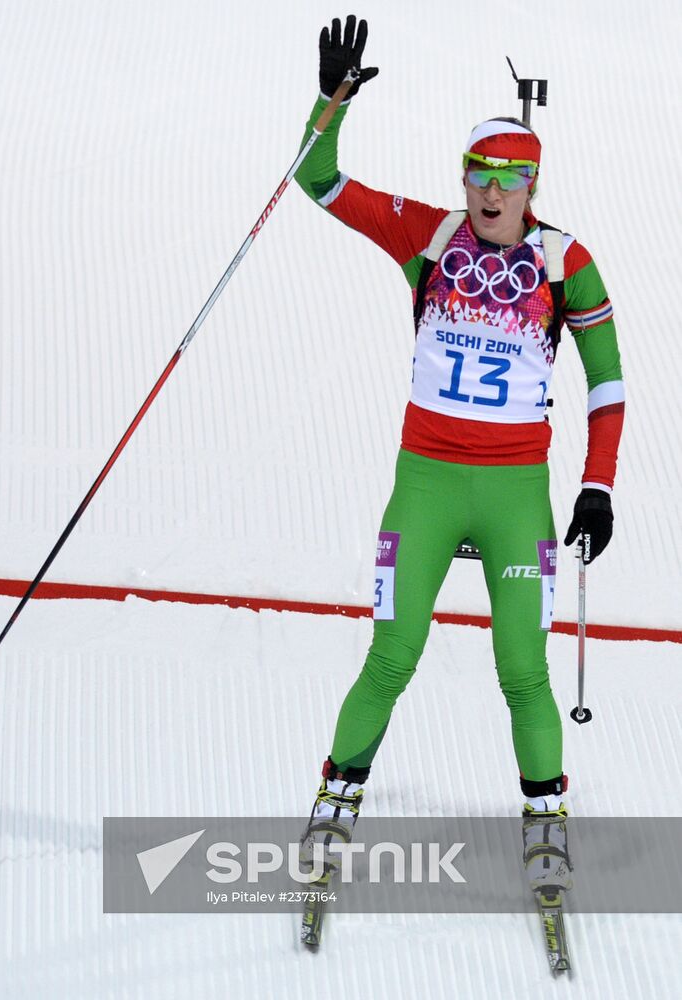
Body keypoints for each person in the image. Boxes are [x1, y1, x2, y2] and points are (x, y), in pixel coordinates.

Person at [296, 16, 624, 890]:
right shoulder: (429, 236)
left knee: (523, 669)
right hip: (428, 483)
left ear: (532, 185)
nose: (489, 193)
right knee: (391, 656)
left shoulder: (567, 262)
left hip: (518, 493)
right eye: (478, 174)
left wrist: (598, 487)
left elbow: (608, 383)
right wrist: (330, 105)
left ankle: (547, 825)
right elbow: (317, 182)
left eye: (508, 179)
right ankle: (333, 807)